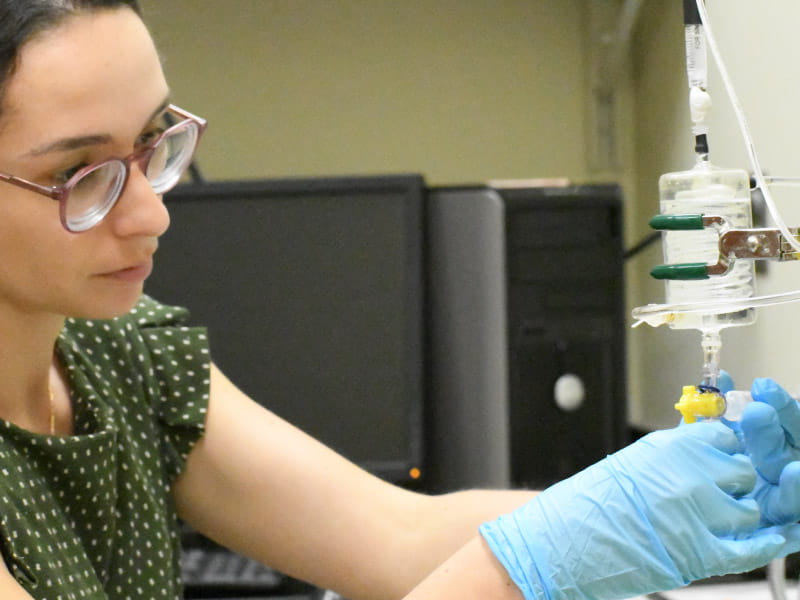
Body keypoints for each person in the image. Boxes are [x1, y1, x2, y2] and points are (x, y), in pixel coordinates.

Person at [0, 2, 799, 599]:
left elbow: (392, 535)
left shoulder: (122, 356)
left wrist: (656, 499)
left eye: (152, 147)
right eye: (84, 177)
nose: (153, 212)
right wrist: (541, 559)